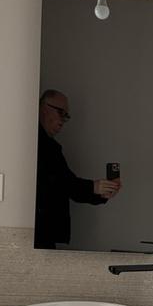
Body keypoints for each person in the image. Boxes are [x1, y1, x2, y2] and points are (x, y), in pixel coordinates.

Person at [35, 89, 121, 249]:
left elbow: (67, 185)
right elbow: (60, 183)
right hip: (37, 233)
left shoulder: (48, 146)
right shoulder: (40, 144)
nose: (62, 120)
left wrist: (99, 192)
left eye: (65, 116)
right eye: (60, 112)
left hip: (41, 232)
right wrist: (94, 188)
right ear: (43, 107)